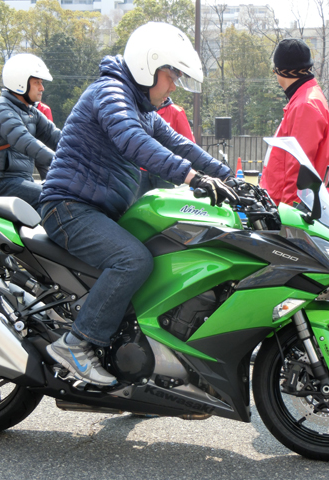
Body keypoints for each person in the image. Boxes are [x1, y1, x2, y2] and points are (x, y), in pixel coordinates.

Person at [39, 22, 237, 387]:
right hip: (68, 207)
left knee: (162, 251)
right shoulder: (110, 92)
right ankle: (77, 343)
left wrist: (231, 179)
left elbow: (183, 145)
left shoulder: (142, 109)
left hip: (96, 210)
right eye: (171, 75)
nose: (174, 85)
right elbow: (132, 140)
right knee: (133, 260)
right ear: (148, 66)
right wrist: (192, 178)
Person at [260, 38, 329, 206]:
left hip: (293, 207)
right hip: (298, 203)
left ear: (280, 70)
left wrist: (289, 211)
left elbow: (298, 169)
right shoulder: (307, 98)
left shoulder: (304, 105)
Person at [0, 53, 61, 210]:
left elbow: (55, 136)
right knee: (55, 199)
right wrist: (61, 162)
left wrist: (88, 154)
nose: (42, 88)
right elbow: (26, 142)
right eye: (37, 82)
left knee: (64, 193)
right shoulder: (2, 110)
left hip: (22, 181)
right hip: (2, 184)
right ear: (20, 82)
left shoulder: (30, 112)